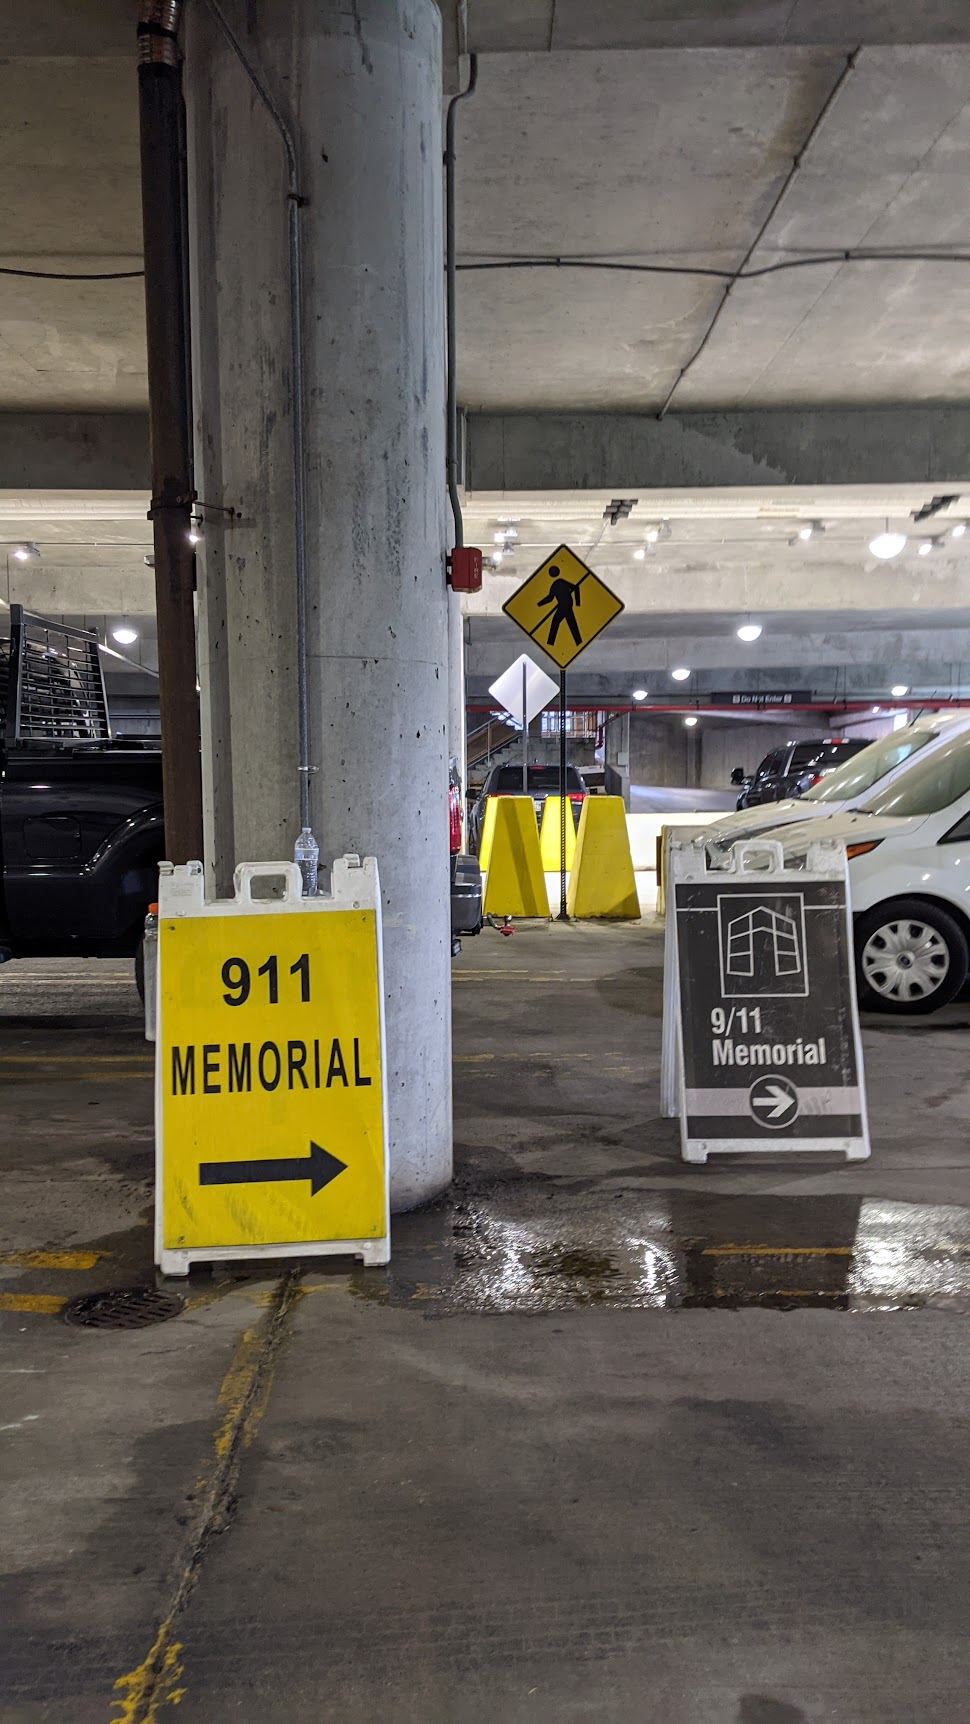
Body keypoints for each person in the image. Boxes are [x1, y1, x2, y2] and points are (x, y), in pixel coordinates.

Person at [537, 566, 582, 648]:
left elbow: (550, 598)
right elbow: (576, 588)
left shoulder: (556, 584)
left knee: (556, 622)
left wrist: (578, 603)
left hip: (564, 606)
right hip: (567, 605)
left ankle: (550, 643)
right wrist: (539, 604)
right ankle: (578, 642)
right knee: (571, 624)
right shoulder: (560, 582)